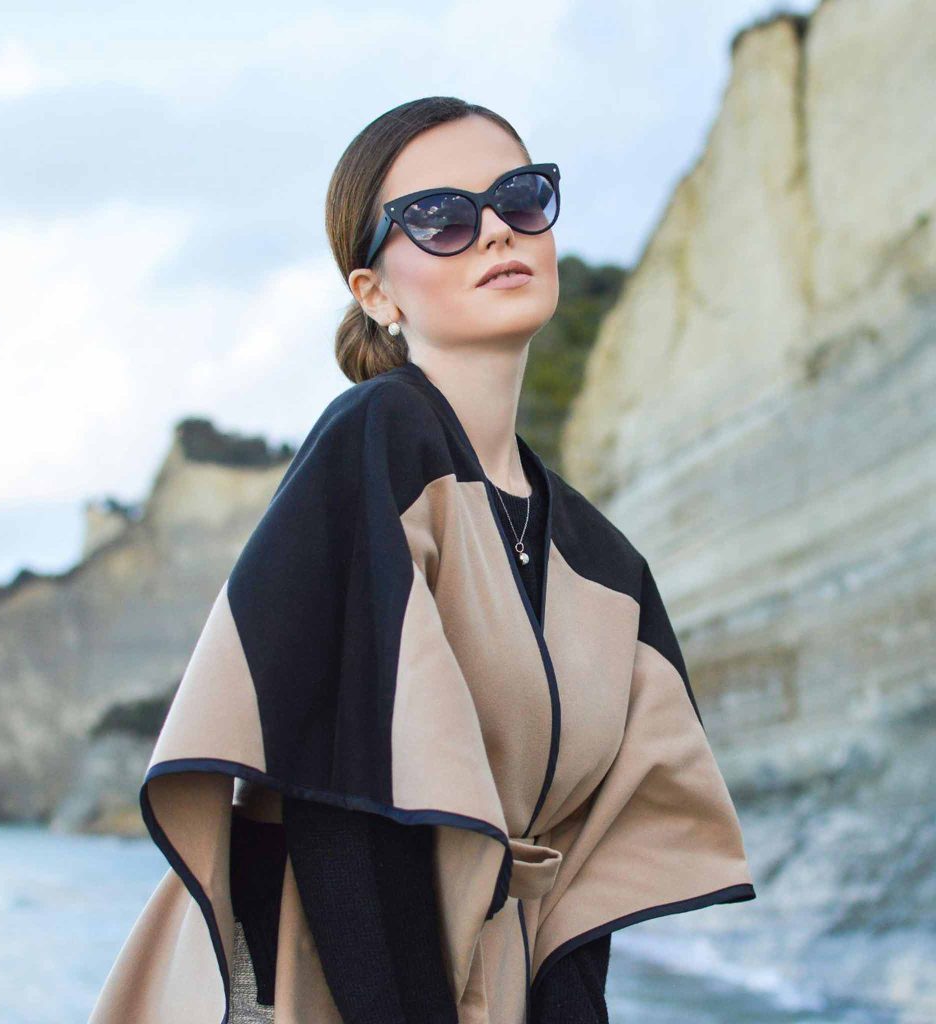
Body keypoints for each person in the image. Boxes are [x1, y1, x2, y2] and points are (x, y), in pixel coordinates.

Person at [89, 96, 756, 1024]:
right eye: (441, 218)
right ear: (376, 293)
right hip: (322, 978)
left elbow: (585, 893)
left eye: (520, 200)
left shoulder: (605, 565)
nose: (493, 232)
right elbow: (341, 806)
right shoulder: (378, 440)